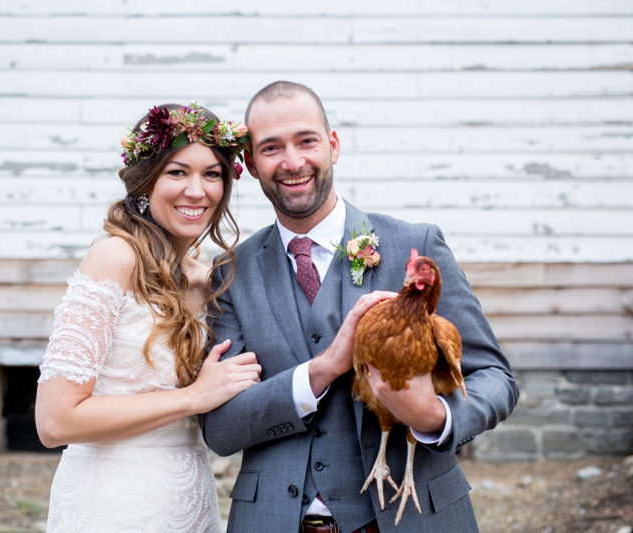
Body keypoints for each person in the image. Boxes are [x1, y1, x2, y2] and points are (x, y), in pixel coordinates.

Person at [198, 82, 519, 533]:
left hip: (414, 518)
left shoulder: (416, 246)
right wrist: (321, 370)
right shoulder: (232, 272)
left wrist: (434, 417)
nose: (292, 162)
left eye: (306, 140)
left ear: (332, 145)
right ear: (250, 163)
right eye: (271, 148)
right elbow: (222, 428)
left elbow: (496, 378)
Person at [35, 103, 260, 533]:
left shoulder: (205, 277)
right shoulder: (114, 257)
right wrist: (193, 398)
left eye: (212, 174)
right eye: (177, 172)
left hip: (189, 498)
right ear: (146, 180)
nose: (197, 191)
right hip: (112, 503)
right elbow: (54, 421)